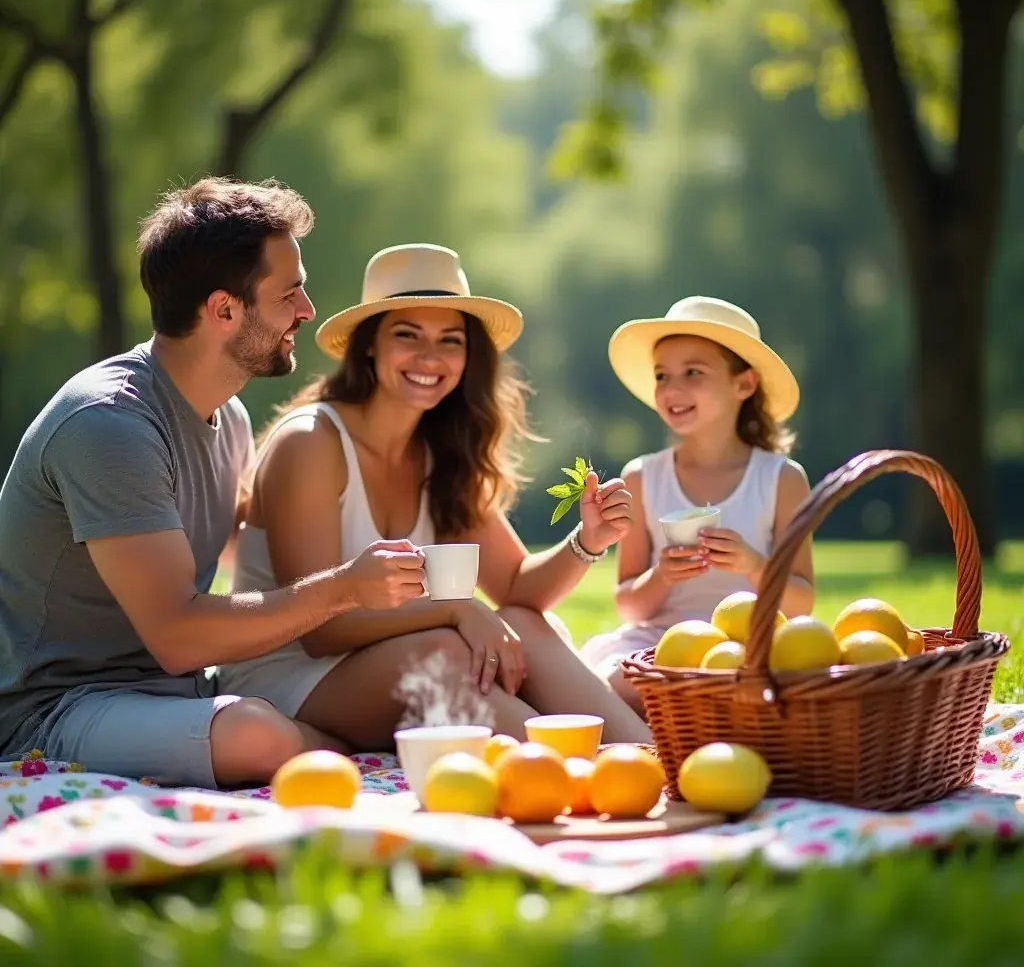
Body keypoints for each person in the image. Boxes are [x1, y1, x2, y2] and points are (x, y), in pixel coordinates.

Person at [0, 178, 427, 790]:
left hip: (173, 695)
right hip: (52, 713)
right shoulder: (109, 424)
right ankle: (355, 758)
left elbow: (238, 551)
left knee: (371, 689)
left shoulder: (230, 417)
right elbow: (178, 636)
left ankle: (344, 750)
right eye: (289, 294)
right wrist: (344, 588)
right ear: (224, 310)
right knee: (254, 734)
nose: (307, 311)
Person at [217, 243, 652, 748]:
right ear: (370, 345)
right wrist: (456, 609)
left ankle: (648, 758)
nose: (431, 357)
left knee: (523, 625)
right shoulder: (311, 441)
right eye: (408, 335)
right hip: (288, 676)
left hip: (397, 660)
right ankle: (580, 770)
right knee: (446, 651)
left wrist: (589, 540)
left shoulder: (440, 453)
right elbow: (319, 631)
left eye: (451, 340)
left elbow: (515, 587)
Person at [579, 296, 815, 714]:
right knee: (614, 681)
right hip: (660, 648)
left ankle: (682, 721)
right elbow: (628, 605)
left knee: (785, 682)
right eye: (662, 375)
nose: (672, 389)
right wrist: (662, 576)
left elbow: (801, 602)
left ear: (744, 384)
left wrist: (752, 564)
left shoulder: (782, 480)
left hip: (748, 647)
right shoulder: (642, 477)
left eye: (693, 372)